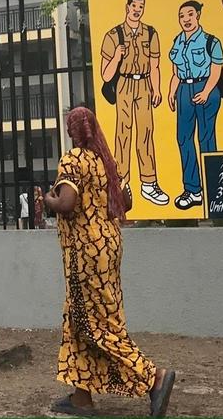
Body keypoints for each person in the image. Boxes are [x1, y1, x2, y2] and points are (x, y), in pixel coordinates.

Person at [44, 107, 176, 418]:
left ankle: (153, 377)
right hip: (109, 245)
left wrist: (46, 201)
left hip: (85, 252)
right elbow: (126, 201)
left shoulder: (73, 159)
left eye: (68, 127)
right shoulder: (106, 160)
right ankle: (81, 397)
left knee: (96, 325)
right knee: (81, 317)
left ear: (74, 131)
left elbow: (66, 203)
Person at [100, 0, 169, 207]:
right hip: (124, 84)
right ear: (127, 7)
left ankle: (149, 182)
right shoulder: (113, 35)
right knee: (123, 131)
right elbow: (105, 74)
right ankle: (122, 180)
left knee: (146, 131)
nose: (137, 10)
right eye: (134, 6)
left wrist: (156, 89)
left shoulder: (150, 33)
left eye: (141, 6)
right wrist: (117, 57)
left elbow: (155, 65)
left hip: (144, 84)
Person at [168, 0, 223, 210]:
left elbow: (216, 69)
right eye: (182, 16)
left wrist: (206, 92)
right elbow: (176, 70)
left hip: (206, 88)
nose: (186, 20)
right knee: (183, 139)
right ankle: (193, 190)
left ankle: (214, 188)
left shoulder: (211, 41)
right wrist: (172, 92)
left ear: (198, 15)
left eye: (190, 14)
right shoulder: (178, 41)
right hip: (184, 89)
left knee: (206, 139)